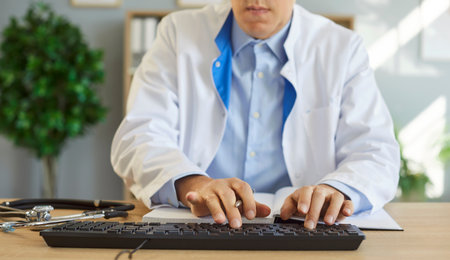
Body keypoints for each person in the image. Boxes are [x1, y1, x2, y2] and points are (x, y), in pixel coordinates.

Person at [111, 0, 400, 230]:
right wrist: (195, 184)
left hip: (305, 231)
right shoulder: (179, 32)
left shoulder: (341, 47)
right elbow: (139, 135)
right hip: (203, 225)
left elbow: (375, 150)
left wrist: (333, 189)